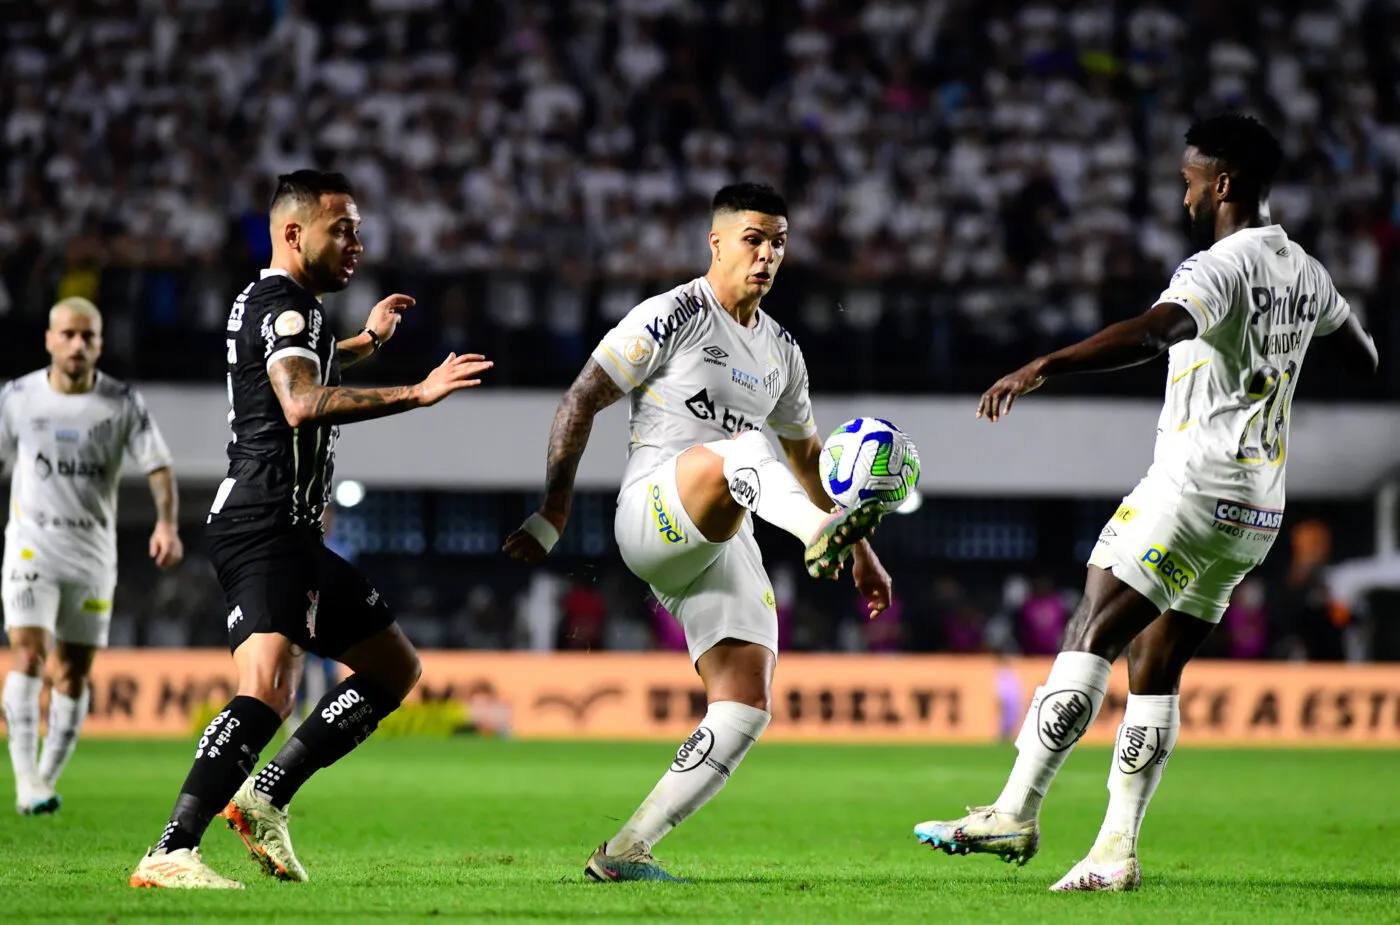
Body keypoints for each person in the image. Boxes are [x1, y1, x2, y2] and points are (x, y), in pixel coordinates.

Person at [912, 114, 1378, 891]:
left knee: (1089, 631)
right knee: (1154, 666)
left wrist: (1045, 364)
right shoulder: (1306, 270)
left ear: (1223, 183)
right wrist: (1274, 360)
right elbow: (1361, 357)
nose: (1184, 192)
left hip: (1192, 486)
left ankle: (1013, 810)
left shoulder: (1218, 268)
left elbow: (1156, 331)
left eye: (1192, 179)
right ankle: (1114, 851)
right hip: (1257, 510)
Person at [504, 182, 892, 882]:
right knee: (744, 449)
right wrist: (555, 510)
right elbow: (582, 396)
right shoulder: (675, 312)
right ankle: (817, 532)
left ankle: (625, 850)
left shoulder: (782, 352)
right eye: (753, 238)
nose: (768, 253)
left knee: (746, 698)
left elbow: (806, 458)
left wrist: (862, 550)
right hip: (652, 508)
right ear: (716, 242)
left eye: (778, 241)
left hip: (721, 536)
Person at [129, 170, 493, 889]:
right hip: (261, 524)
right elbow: (298, 400)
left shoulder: (284, 308)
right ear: (294, 234)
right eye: (344, 229)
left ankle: (265, 795)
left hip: (290, 531)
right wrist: (415, 392)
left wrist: (364, 340)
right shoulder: (285, 307)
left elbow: (296, 361)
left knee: (394, 668)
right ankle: (170, 849)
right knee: (266, 688)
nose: (357, 243)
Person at [2, 297, 183, 815]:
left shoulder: (122, 402)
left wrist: (166, 524)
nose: (78, 345)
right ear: (50, 340)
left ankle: (45, 779)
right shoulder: (17, 398)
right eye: (69, 335)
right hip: (32, 545)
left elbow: (159, 466)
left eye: (89, 336)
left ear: (101, 343)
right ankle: (26, 780)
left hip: (91, 554)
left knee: (72, 675)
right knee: (29, 656)